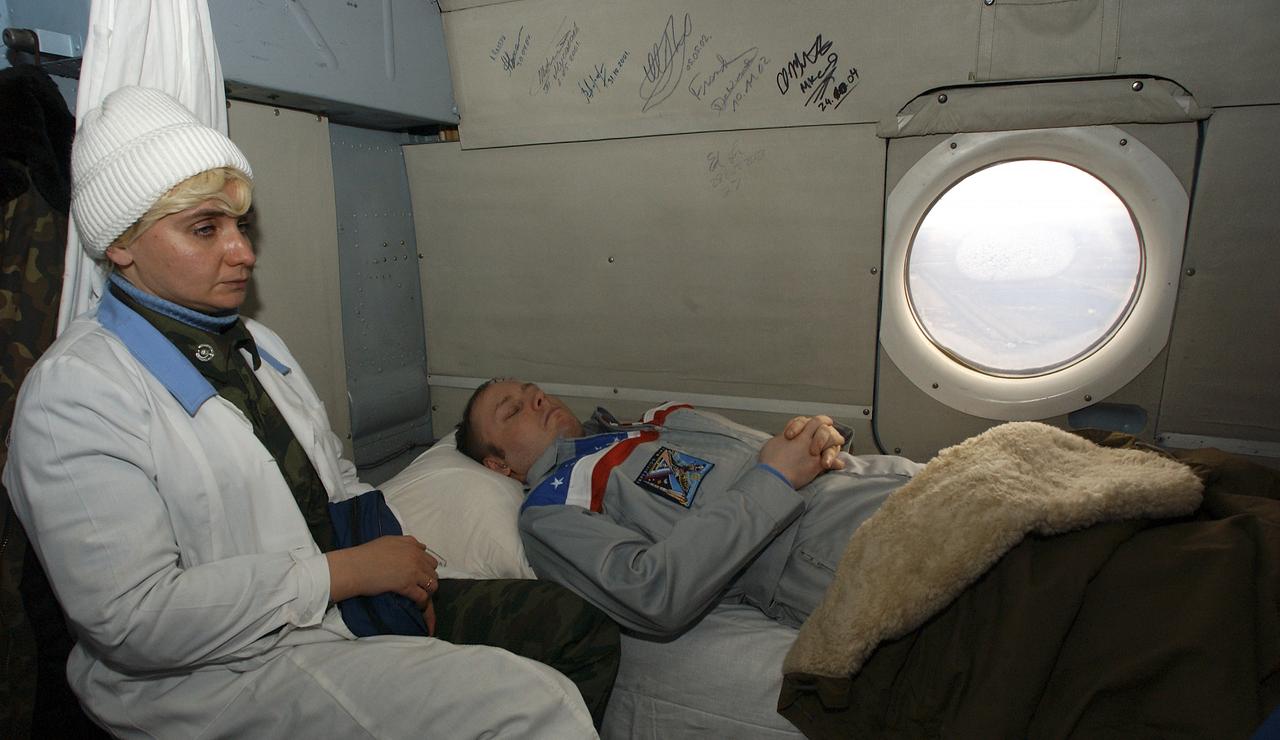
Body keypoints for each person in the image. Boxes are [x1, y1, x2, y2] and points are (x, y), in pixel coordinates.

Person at [3, 87, 618, 738]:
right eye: (206, 229)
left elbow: (338, 483)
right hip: (223, 676)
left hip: (341, 603)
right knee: (531, 705)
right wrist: (343, 575)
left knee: (571, 627)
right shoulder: (72, 399)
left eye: (240, 226)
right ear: (120, 244)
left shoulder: (258, 347)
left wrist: (398, 580)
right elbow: (134, 620)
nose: (243, 252)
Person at [456, 379, 924, 637]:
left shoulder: (659, 418)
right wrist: (775, 478)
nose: (534, 398)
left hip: (882, 477)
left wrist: (815, 438)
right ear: (499, 465)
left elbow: (767, 453)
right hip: (835, 545)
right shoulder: (551, 508)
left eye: (531, 390)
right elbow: (651, 593)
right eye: (512, 410)